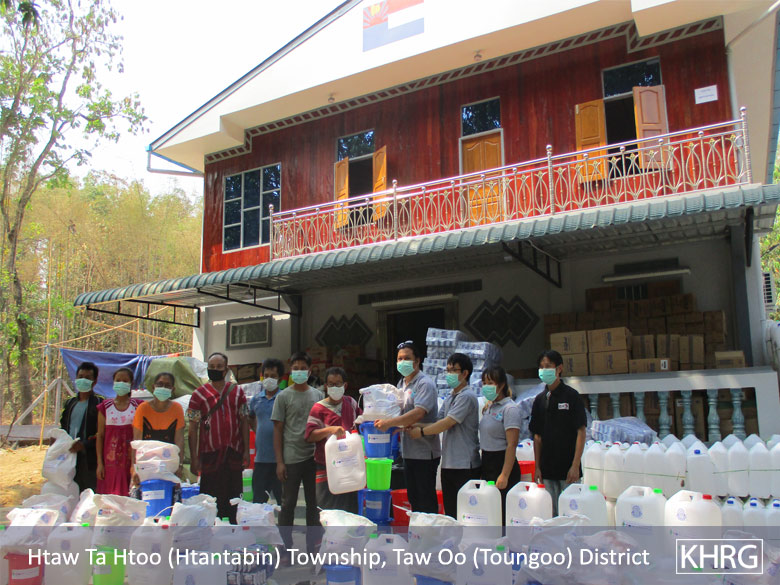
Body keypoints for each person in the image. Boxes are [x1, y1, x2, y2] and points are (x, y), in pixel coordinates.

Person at [407, 352, 480, 518]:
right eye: (447, 370)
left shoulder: (467, 397)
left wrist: (421, 432)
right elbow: (437, 422)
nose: (449, 374)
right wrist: (416, 424)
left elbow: (447, 423)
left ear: (465, 373)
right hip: (449, 464)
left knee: (466, 514)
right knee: (451, 513)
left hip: (465, 465)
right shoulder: (450, 398)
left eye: (453, 370)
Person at [375, 341, 440, 513]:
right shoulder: (401, 385)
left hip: (425, 452)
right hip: (408, 451)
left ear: (417, 361)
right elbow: (398, 412)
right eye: (399, 359)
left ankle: (430, 530)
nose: (402, 362)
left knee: (425, 500)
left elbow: (418, 413)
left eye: (407, 358)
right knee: (414, 499)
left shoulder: (424, 384)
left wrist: (389, 423)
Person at [187, 352, 250, 524]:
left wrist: (246, 451)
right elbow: (193, 427)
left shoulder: (237, 392)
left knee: (233, 498)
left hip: (233, 453)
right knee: (210, 500)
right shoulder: (198, 395)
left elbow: (244, 422)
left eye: (219, 367)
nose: (215, 370)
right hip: (209, 454)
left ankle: (232, 530)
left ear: (226, 370)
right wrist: (194, 458)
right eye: (212, 367)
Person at [272, 351, 323, 554]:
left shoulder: (318, 396)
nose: (299, 372)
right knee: (288, 505)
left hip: (314, 457)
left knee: (314, 505)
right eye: (296, 369)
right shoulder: (283, 396)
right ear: (290, 371)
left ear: (309, 371)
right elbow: (277, 430)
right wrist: (279, 462)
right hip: (291, 458)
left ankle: (313, 547)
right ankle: (285, 549)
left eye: (303, 368)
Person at [529, 350, 587, 516]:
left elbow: (581, 431)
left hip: (568, 470)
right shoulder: (540, 400)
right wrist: (537, 467)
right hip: (547, 469)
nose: (544, 370)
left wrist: (575, 465)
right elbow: (537, 436)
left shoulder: (572, 396)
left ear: (559, 368)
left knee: (570, 513)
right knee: (550, 513)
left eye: (548, 366)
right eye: (541, 367)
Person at [304, 366, 361, 513]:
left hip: (350, 466)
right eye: (331, 384)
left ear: (345, 385)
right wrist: (330, 430)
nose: (334, 387)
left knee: (350, 511)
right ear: (326, 386)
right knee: (328, 511)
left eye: (338, 384)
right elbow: (310, 435)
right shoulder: (318, 408)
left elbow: (361, 422)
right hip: (326, 467)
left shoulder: (351, 403)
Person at [479, 365, 522, 516]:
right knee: (490, 511)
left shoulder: (509, 409)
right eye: (484, 383)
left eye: (490, 383)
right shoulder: (489, 407)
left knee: (503, 511)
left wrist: (504, 474)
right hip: (487, 461)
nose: (486, 387)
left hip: (502, 462)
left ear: (501, 384)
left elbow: (512, 444)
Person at [96, 367, 141, 495]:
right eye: (118, 380)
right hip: (110, 464)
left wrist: (136, 465)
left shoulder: (138, 406)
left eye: (125, 381)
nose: (121, 383)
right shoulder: (105, 407)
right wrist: (100, 464)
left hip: (131, 463)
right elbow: (100, 436)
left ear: (131, 384)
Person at [60, 361, 103, 492]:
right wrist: (58, 440)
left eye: (88, 378)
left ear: (94, 382)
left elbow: (102, 433)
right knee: (69, 490)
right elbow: (63, 427)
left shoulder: (99, 404)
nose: (83, 380)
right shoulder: (70, 403)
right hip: (69, 455)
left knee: (88, 492)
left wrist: (84, 445)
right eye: (80, 377)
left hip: (89, 459)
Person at [248, 357, 285, 504]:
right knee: (258, 502)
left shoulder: (284, 398)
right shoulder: (256, 400)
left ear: (280, 378)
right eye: (266, 376)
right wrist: (258, 430)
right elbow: (250, 417)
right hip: (261, 460)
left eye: (273, 376)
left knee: (283, 502)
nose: (269, 379)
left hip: (280, 461)